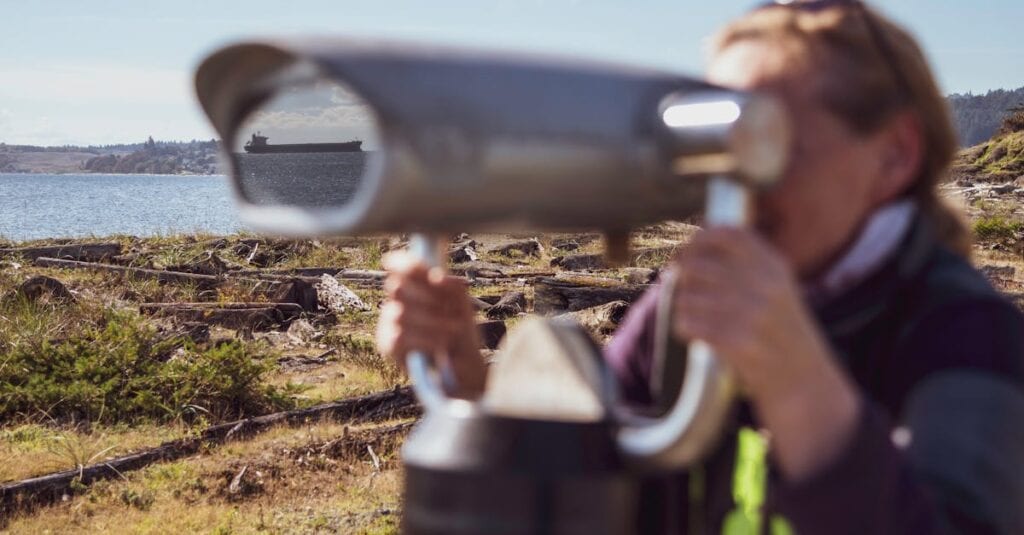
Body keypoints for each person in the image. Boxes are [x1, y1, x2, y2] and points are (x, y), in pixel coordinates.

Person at [376, 1, 1024, 533]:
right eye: (715, 142)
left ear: (893, 155)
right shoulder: (681, 309)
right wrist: (466, 382)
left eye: (769, 139)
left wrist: (801, 386)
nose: (734, 181)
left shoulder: (968, 335)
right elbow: (592, 478)